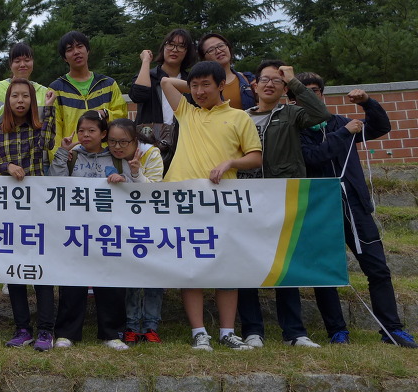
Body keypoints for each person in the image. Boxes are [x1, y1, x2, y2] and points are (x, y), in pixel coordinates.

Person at [298, 72, 417, 348]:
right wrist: (344, 133)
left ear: (322, 94)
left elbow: (380, 127)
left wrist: (367, 102)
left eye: (315, 90)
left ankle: (392, 329)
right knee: (325, 272)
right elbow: (314, 157)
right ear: (295, 99)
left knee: (378, 268)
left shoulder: (341, 121)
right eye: (303, 92)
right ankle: (337, 331)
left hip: (355, 206)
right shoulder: (296, 130)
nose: (311, 96)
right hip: (319, 209)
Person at [160, 61, 261, 351]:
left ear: (221, 85)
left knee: (225, 268)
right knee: (192, 268)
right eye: (194, 86)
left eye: (207, 85)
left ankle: (227, 332)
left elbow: (255, 157)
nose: (199, 91)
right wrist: (195, 88)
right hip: (183, 202)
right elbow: (166, 82)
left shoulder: (239, 117)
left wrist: (230, 163)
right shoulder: (187, 111)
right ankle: (199, 332)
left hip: (221, 202)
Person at [235, 61, 332, 349]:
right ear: (254, 86)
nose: (269, 84)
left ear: (284, 88)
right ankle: (253, 330)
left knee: (285, 262)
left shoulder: (291, 113)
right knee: (247, 263)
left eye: (277, 81)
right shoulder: (240, 117)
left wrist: (294, 81)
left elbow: (321, 114)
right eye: (264, 80)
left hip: (281, 196)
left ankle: (295, 332)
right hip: (247, 197)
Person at [0, 79, 58, 351]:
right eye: (15, 96)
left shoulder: (39, 128)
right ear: (7, 100)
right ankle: (22, 328)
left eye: (25, 96)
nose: (20, 101)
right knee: (14, 269)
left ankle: (46, 330)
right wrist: (7, 166)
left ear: (32, 101)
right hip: (8, 210)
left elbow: (48, 142)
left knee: (41, 270)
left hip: (38, 208)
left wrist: (48, 108)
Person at [49, 111, 130, 351]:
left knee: (111, 281)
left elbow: (133, 186)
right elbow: (56, 181)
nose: (85, 135)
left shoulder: (116, 158)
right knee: (72, 281)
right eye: (81, 130)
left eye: (91, 130)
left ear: (103, 134)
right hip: (76, 229)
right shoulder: (72, 156)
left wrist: (123, 179)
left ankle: (112, 333)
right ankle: (66, 333)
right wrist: (62, 152)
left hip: (108, 230)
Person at [100, 117, 167, 344]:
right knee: (129, 274)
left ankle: (151, 326)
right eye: (112, 141)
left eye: (123, 142)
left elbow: (156, 190)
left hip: (151, 222)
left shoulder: (151, 154)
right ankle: (130, 325)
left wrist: (135, 175)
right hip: (122, 224)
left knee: (153, 273)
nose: (117, 147)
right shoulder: (107, 155)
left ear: (135, 141)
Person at [48, 31, 128, 158]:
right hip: (73, 157)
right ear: (64, 58)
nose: (76, 52)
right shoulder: (56, 89)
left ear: (88, 50)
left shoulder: (108, 84)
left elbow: (122, 116)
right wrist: (60, 155)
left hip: (106, 156)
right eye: (70, 49)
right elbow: (53, 129)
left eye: (80, 46)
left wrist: (106, 113)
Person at [129, 28, 196, 172]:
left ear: (187, 52)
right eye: (170, 44)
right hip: (148, 146)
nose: (174, 49)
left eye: (181, 46)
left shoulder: (191, 81)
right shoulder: (148, 76)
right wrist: (146, 61)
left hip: (182, 147)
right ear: (163, 47)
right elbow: (138, 95)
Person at [0, 41, 50, 131]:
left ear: (33, 63)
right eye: (17, 61)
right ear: (10, 64)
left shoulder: (44, 91)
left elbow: (50, 125)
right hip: (3, 139)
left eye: (27, 60)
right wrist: (10, 105)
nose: (22, 65)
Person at [198, 33, 255, 110]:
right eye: (211, 50)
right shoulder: (200, 88)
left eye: (221, 45)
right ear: (204, 58)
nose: (218, 51)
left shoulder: (248, 79)